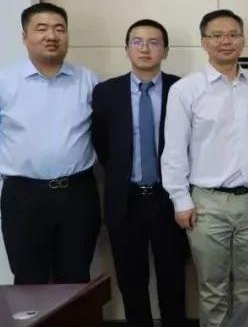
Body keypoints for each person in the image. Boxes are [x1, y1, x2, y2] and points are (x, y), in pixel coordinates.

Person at [0, 2, 100, 285]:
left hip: (78, 194)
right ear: (24, 36)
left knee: (76, 278)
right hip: (24, 197)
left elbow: (100, 131)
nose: (51, 36)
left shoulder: (87, 80)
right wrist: (10, 171)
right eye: (41, 29)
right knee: (28, 280)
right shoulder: (0, 82)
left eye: (59, 29)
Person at [161, 9, 248, 327]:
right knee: (213, 289)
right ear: (204, 42)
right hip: (207, 203)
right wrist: (180, 199)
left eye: (233, 34)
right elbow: (174, 150)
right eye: (217, 35)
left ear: (243, 40)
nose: (225, 41)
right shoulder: (186, 90)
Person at [91, 19, 186, 327]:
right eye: (137, 41)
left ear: (166, 50)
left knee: (173, 277)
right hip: (125, 199)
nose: (145, 48)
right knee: (131, 280)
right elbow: (101, 144)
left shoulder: (181, 89)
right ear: (127, 49)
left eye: (154, 42)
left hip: (169, 198)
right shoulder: (106, 92)